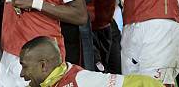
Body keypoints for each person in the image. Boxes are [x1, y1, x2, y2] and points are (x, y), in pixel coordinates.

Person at [19, 36, 163, 87]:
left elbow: (146, 84)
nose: (21, 73)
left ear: (43, 65)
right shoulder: (52, 80)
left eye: (24, 67)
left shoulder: (81, 81)